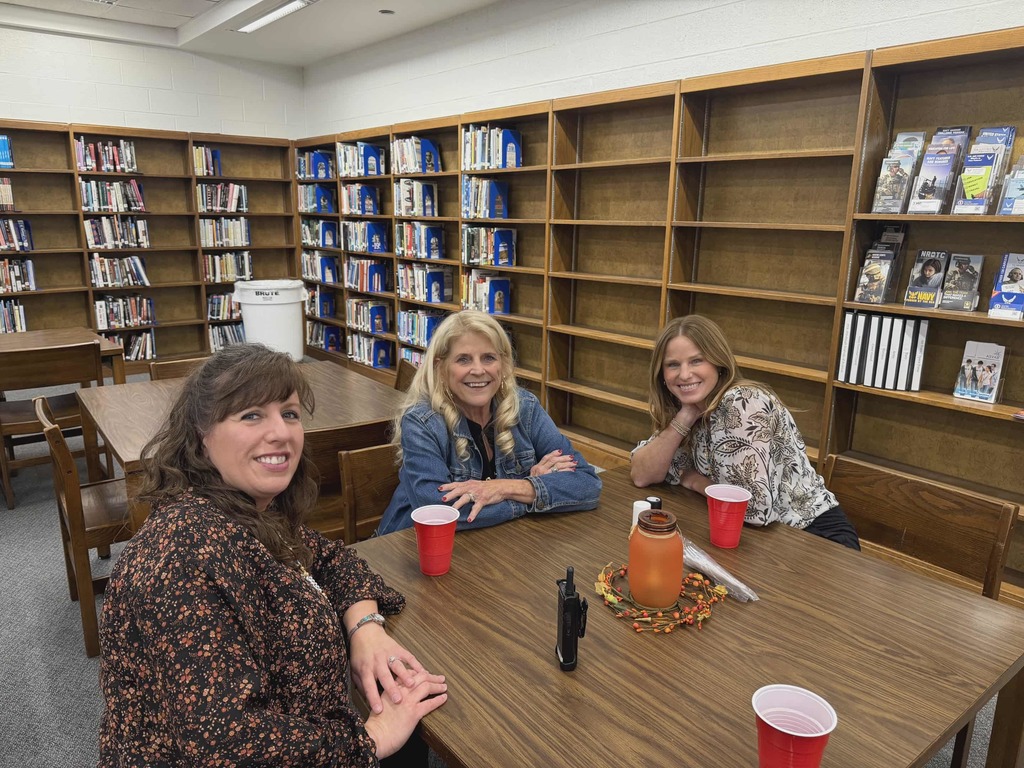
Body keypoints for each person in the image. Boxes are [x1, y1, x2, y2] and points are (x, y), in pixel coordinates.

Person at [98, 344, 447, 766]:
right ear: (200, 435)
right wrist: (369, 740)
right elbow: (227, 746)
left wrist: (365, 629)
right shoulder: (182, 554)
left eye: (290, 413)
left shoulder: (250, 513)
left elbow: (333, 561)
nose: (281, 433)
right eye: (251, 415)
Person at [630, 315, 859, 549]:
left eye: (697, 361)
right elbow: (642, 474)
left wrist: (693, 480)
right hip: (764, 540)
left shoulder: (743, 402)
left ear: (718, 363)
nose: (685, 374)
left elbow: (752, 510)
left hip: (815, 537)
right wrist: (686, 415)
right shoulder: (685, 406)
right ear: (662, 374)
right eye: (673, 365)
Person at [378, 310, 601, 534]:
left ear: (503, 365)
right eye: (463, 359)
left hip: (498, 544)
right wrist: (532, 494)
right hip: (411, 547)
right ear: (441, 368)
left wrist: (506, 487)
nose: (478, 370)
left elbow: (587, 483)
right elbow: (439, 512)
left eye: (489, 358)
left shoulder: (525, 407)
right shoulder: (421, 422)